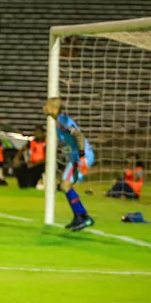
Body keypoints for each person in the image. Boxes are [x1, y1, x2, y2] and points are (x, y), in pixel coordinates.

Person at [44, 98, 96, 231]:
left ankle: (83, 216)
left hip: (81, 156)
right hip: (76, 156)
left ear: (54, 108)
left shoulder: (63, 121)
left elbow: (78, 135)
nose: (44, 107)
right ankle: (79, 216)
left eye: (47, 105)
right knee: (65, 186)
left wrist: (82, 156)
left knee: (65, 185)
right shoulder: (58, 121)